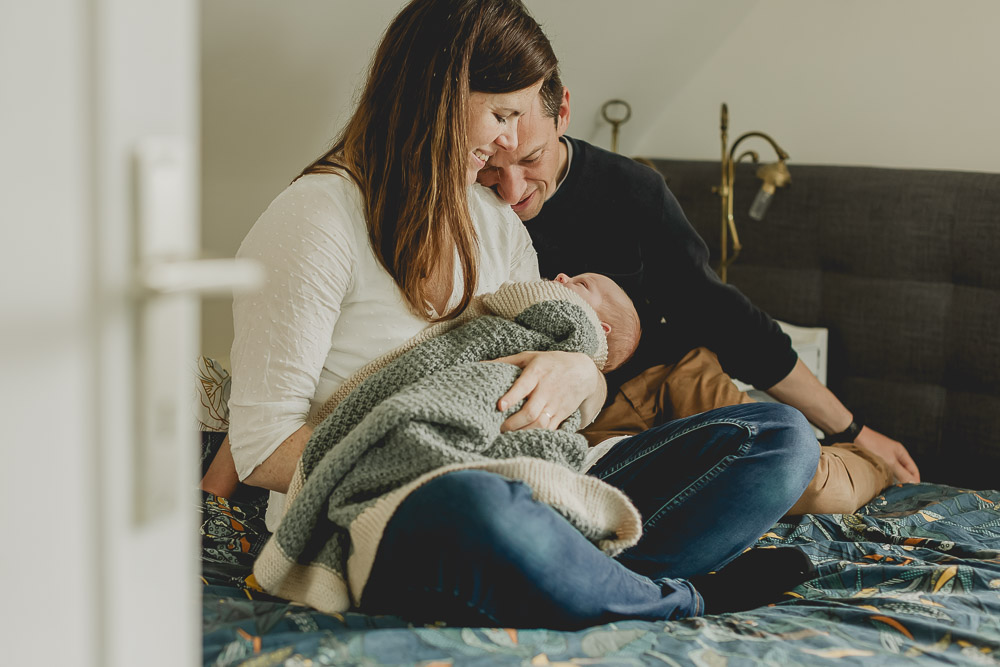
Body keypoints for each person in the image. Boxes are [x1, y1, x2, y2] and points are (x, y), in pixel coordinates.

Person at [223, 0, 820, 629]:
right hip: (390, 505)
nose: (511, 141)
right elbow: (261, 450)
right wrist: (427, 455)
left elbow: (556, 349)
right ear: (435, 97)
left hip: (539, 475)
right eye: (502, 114)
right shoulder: (314, 220)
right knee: (477, 505)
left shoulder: (493, 223)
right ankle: (675, 596)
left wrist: (580, 374)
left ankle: (565, 573)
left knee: (779, 439)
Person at [476, 73, 921, 494]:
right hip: (591, 415)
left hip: (676, 376)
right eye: (491, 168)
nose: (512, 192)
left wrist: (853, 430)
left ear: (564, 112)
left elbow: (721, 315)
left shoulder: (631, 189)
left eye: (532, 159)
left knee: (797, 477)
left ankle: (867, 467)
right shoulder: (468, 206)